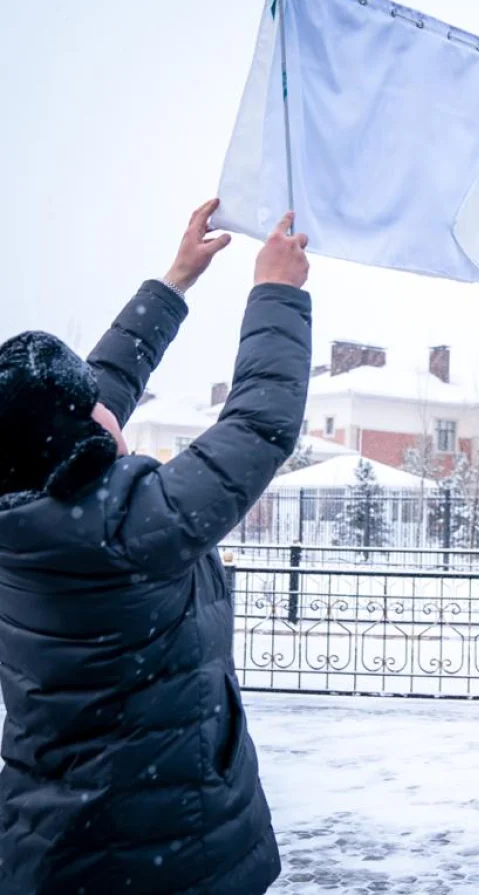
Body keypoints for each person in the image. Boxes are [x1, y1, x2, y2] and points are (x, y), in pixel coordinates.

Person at [0, 201, 313, 894]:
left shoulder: (28, 510)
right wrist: (277, 294)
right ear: (79, 436)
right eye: (93, 407)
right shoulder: (129, 527)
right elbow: (260, 423)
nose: (109, 404)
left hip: (58, 842)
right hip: (160, 844)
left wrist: (175, 281)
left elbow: (95, 388)